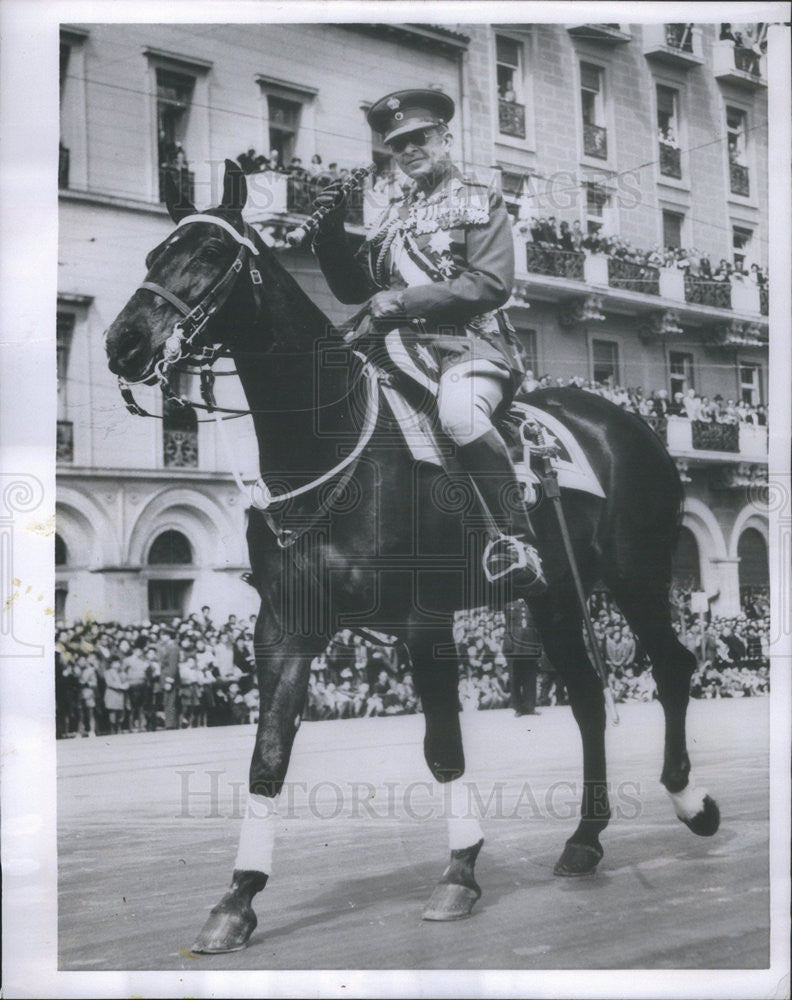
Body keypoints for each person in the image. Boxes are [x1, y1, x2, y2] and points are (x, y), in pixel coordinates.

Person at [311, 89, 545, 592]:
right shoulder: (391, 217)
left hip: (467, 345)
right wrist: (329, 238)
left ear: (445, 138)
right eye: (399, 145)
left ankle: (514, 539)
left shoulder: (478, 199)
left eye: (420, 138)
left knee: (460, 416)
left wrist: (403, 302)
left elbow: (491, 284)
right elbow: (358, 288)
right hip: (394, 349)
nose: (410, 150)